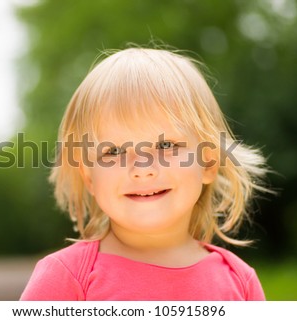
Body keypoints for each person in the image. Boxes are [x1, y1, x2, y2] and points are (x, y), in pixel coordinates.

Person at [20, 47, 270, 300]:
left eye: (165, 146)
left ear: (208, 163)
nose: (142, 169)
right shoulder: (66, 279)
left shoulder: (239, 282)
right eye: (114, 151)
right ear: (89, 176)